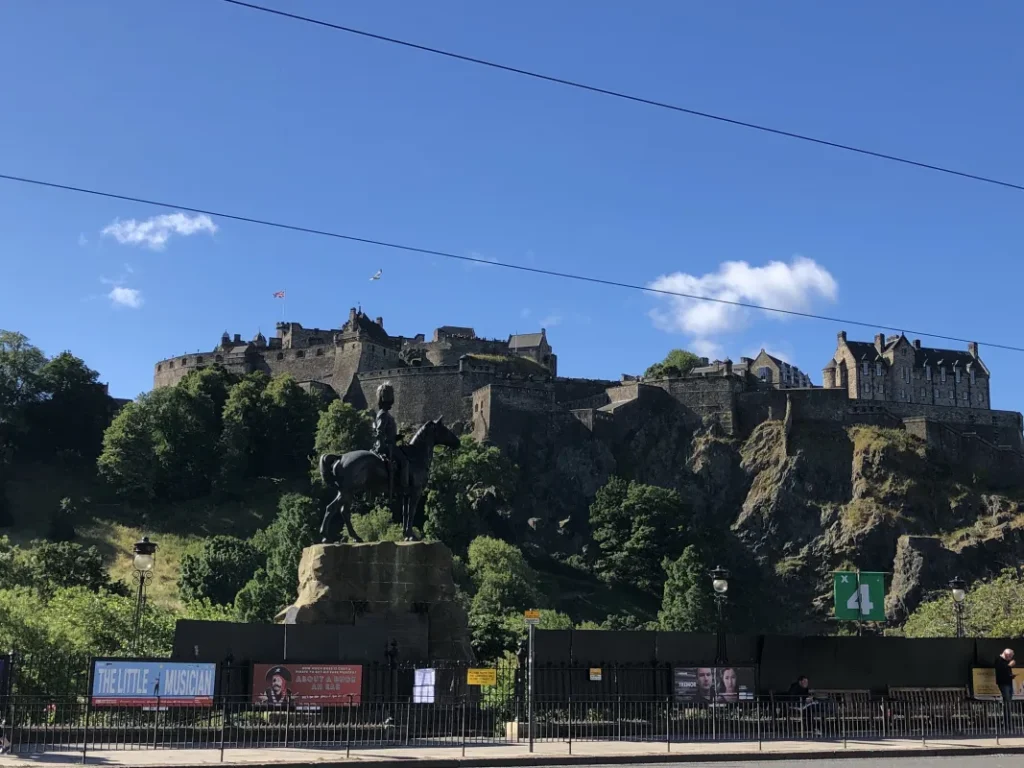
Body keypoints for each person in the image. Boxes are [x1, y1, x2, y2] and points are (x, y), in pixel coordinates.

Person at [371, 382, 408, 500]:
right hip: (387, 447)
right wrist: (384, 447)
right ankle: (403, 488)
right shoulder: (383, 414)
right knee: (405, 462)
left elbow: (386, 433)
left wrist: (397, 437)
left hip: (389, 444)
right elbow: (380, 431)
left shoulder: (385, 414)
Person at [995, 648, 1016, 730]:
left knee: (1009, 703)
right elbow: (1000, 670)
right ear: (1006, 654)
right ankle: (1007, 724)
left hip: (1008, 683)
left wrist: (1011, 676)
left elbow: (1005, 671)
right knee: (1007, 703)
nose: (1011, 658)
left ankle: (1008, 723)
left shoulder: (1006, 662)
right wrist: (1009, 665)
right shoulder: (999, 660)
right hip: (1003, 684)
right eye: (1010, 656)